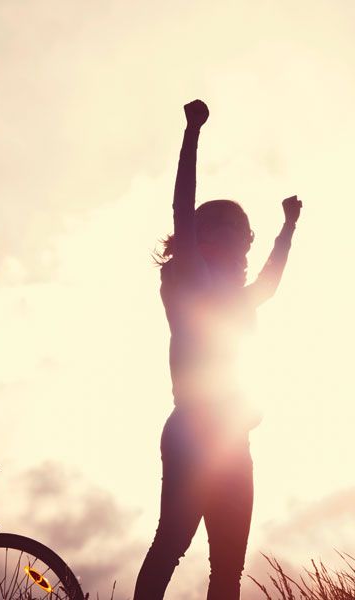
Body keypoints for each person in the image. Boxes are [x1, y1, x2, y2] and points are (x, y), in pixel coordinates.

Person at [134, 100, 302, 600]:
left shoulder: (237, 298)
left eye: (244, 237)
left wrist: (288, 227)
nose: (242, 245)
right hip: (192, 430)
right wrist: (192, 133)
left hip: (233, 438)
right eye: (231, 233)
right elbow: (181, 208)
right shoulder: (192, 279)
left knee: (227, 569)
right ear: (204, 237)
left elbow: (270, 284)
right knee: (171, 545)